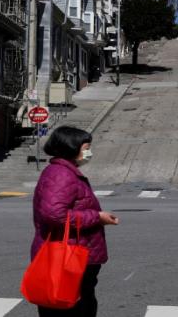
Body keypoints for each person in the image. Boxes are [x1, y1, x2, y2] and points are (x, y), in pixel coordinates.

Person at [31, 126, 119, 317]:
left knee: (76, 304)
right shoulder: (61, 174)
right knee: (69, 308)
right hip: (68, 259)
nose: (89, 152)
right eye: (86, 147)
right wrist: (97, 217)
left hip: (74, 255)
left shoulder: (65, 172)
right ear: (71, 147)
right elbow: (54, 214)